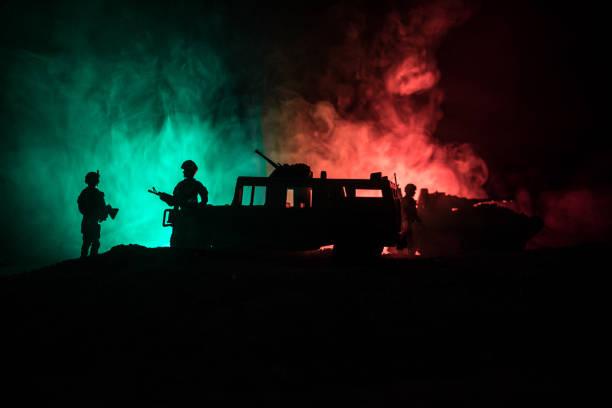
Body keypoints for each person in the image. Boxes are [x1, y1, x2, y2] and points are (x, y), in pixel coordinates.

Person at [77, 171, 118, 258]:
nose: (96, 181)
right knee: (88, 243)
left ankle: (90, 261)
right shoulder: (88, 193)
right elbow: (84, 208)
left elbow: (99, 209)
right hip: (89, 221)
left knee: (92, 243)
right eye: (95, 180)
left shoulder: (94, 193)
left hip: (92, 221)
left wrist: (104, 212)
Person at [397, 183, 421, 252]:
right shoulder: (408, 201)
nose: (414, 192)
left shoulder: (407, 200)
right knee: (407, 238)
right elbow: (411, 212)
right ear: (409, 191)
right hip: (407, 222)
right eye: (413, 190)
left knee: (409, 238)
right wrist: (418, 220)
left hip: (408, 222)